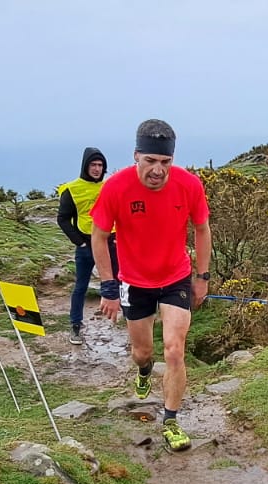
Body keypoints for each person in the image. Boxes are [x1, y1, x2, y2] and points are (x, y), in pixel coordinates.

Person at [89, 119, 211, 451]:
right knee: (142, 352)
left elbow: (202, 228)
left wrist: (202, 277)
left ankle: (170, 421)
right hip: (134, 281)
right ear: (136, 156)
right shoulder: (115, 187)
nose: (158, 170)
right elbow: (98, 237)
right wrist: (109, 286)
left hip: (175, 278)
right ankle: (143, 372)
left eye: (165, 163)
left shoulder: (188, 185)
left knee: (174, 350)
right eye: (151, 162)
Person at [56, 147, 118, 345]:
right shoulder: (71, 190)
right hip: (86, 243)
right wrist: (80, 242)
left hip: (111, 242)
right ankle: (75, 325)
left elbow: (121, 213)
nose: (97, 169)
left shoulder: (110, 186)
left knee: (121, 282)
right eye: (93, 165)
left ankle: (131, 321)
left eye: (100, 165)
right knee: (80, 286)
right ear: (85, 166)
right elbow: (63, 219)